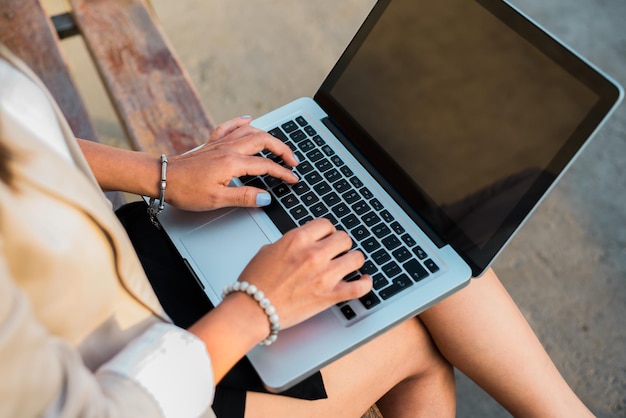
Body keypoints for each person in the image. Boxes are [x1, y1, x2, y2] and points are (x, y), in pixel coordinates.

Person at [0, 43, 593, 418]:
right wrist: (256, 307)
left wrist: (164, 173)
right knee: (418, 328)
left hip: (115, 258)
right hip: (140, 371)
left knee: (413, 237)